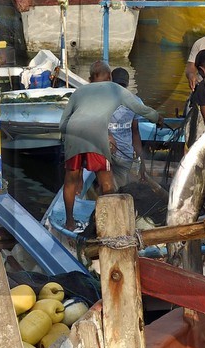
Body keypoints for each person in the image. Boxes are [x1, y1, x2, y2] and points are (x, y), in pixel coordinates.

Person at [56, 60, 158, 232]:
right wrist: (158, 118)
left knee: (70, 182)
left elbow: (62, 124)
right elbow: (141, 109)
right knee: (107, 183)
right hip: (97, 134)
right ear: (110, 77)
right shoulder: (115, 89)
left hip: (74, 133)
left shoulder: (79, 92)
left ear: (89, 78)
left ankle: (70, 222)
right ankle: (110, 223)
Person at [106, 67, 146, 185]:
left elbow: (135, 133)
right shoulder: (135, 101)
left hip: (123, 155)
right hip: (107, 152)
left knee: (116, 187)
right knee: (109, 185)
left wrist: (141, 162)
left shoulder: (136, 102)